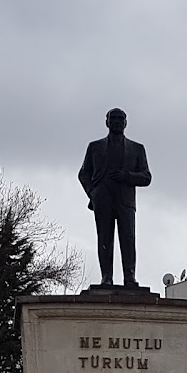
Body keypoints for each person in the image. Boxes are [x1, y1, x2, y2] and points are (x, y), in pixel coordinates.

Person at [78, 108, 152, 287]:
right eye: (113, 119)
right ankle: (106, 277)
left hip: (126, 201)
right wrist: (92, 193)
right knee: (104, 239)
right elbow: (83, 173)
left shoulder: (137, 148)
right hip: (102, 200)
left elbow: (146, 177)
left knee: (128, 239)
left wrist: (126, 176)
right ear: (107, 122)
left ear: (126, 123)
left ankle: (129, 277)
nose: (117, 122)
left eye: (120, 119)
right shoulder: (95, 147)